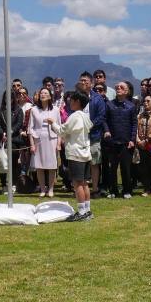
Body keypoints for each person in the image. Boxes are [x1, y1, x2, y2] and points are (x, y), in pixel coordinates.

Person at [50, 90, 94, 221]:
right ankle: (87, 211)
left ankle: (81, 212)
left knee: (77, 184)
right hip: (85, 153)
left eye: (71, 100)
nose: (69, 102)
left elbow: (62, 131)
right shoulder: (85, 116)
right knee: (84, 183)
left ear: (77, 102)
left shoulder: (74, 116)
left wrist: (52, 123)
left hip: (76, 154)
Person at [102, 81, 137, 199]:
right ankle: (113, 190)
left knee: (126, 168)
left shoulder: (131, 106)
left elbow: (134, 124)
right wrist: (106, 130)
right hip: (112, 141)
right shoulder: (109, 104)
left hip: (126, 142)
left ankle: (127, 190)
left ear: (127, 91)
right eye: (117, 87)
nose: (118, 88)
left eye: (121, 87)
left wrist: (132, 139)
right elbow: (104, 119)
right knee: (112, 168)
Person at [76, 72, 106, 196]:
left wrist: (89, 126)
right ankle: (81, 188)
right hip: (78, 136)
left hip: (93, 135)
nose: (83, 83)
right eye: (81, 80)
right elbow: (71, 113)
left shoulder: (98, 98)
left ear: (91, 83)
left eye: (85, 81)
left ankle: (95, 189)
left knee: (94, 163)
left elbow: (101, 116)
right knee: (80, 163)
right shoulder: (76, 97)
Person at [29, 88, 60, 198]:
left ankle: (51, 189)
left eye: (45, 93)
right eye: (41, 93)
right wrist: (32, 144)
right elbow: (30, 128)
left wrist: (58, 144)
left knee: (52, 166)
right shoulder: (34, 110)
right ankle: (42, 189)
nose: (43, 95)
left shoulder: (55, 110)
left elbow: (59, 127)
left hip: (52, 139)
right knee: (39, 166)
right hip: (38, 139)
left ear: (50, 96)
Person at [0, 90, 25, 194]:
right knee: (2, 163)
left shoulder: (18, 110)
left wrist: (11, 131)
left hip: (14, 140)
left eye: (11, 97)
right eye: (6, 97)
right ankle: (4, 185)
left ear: (14, 98)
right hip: (2, 141)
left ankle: (13, 184)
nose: (9, 99)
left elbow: (19, 123)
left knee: (14, 164)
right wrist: (2, 134)